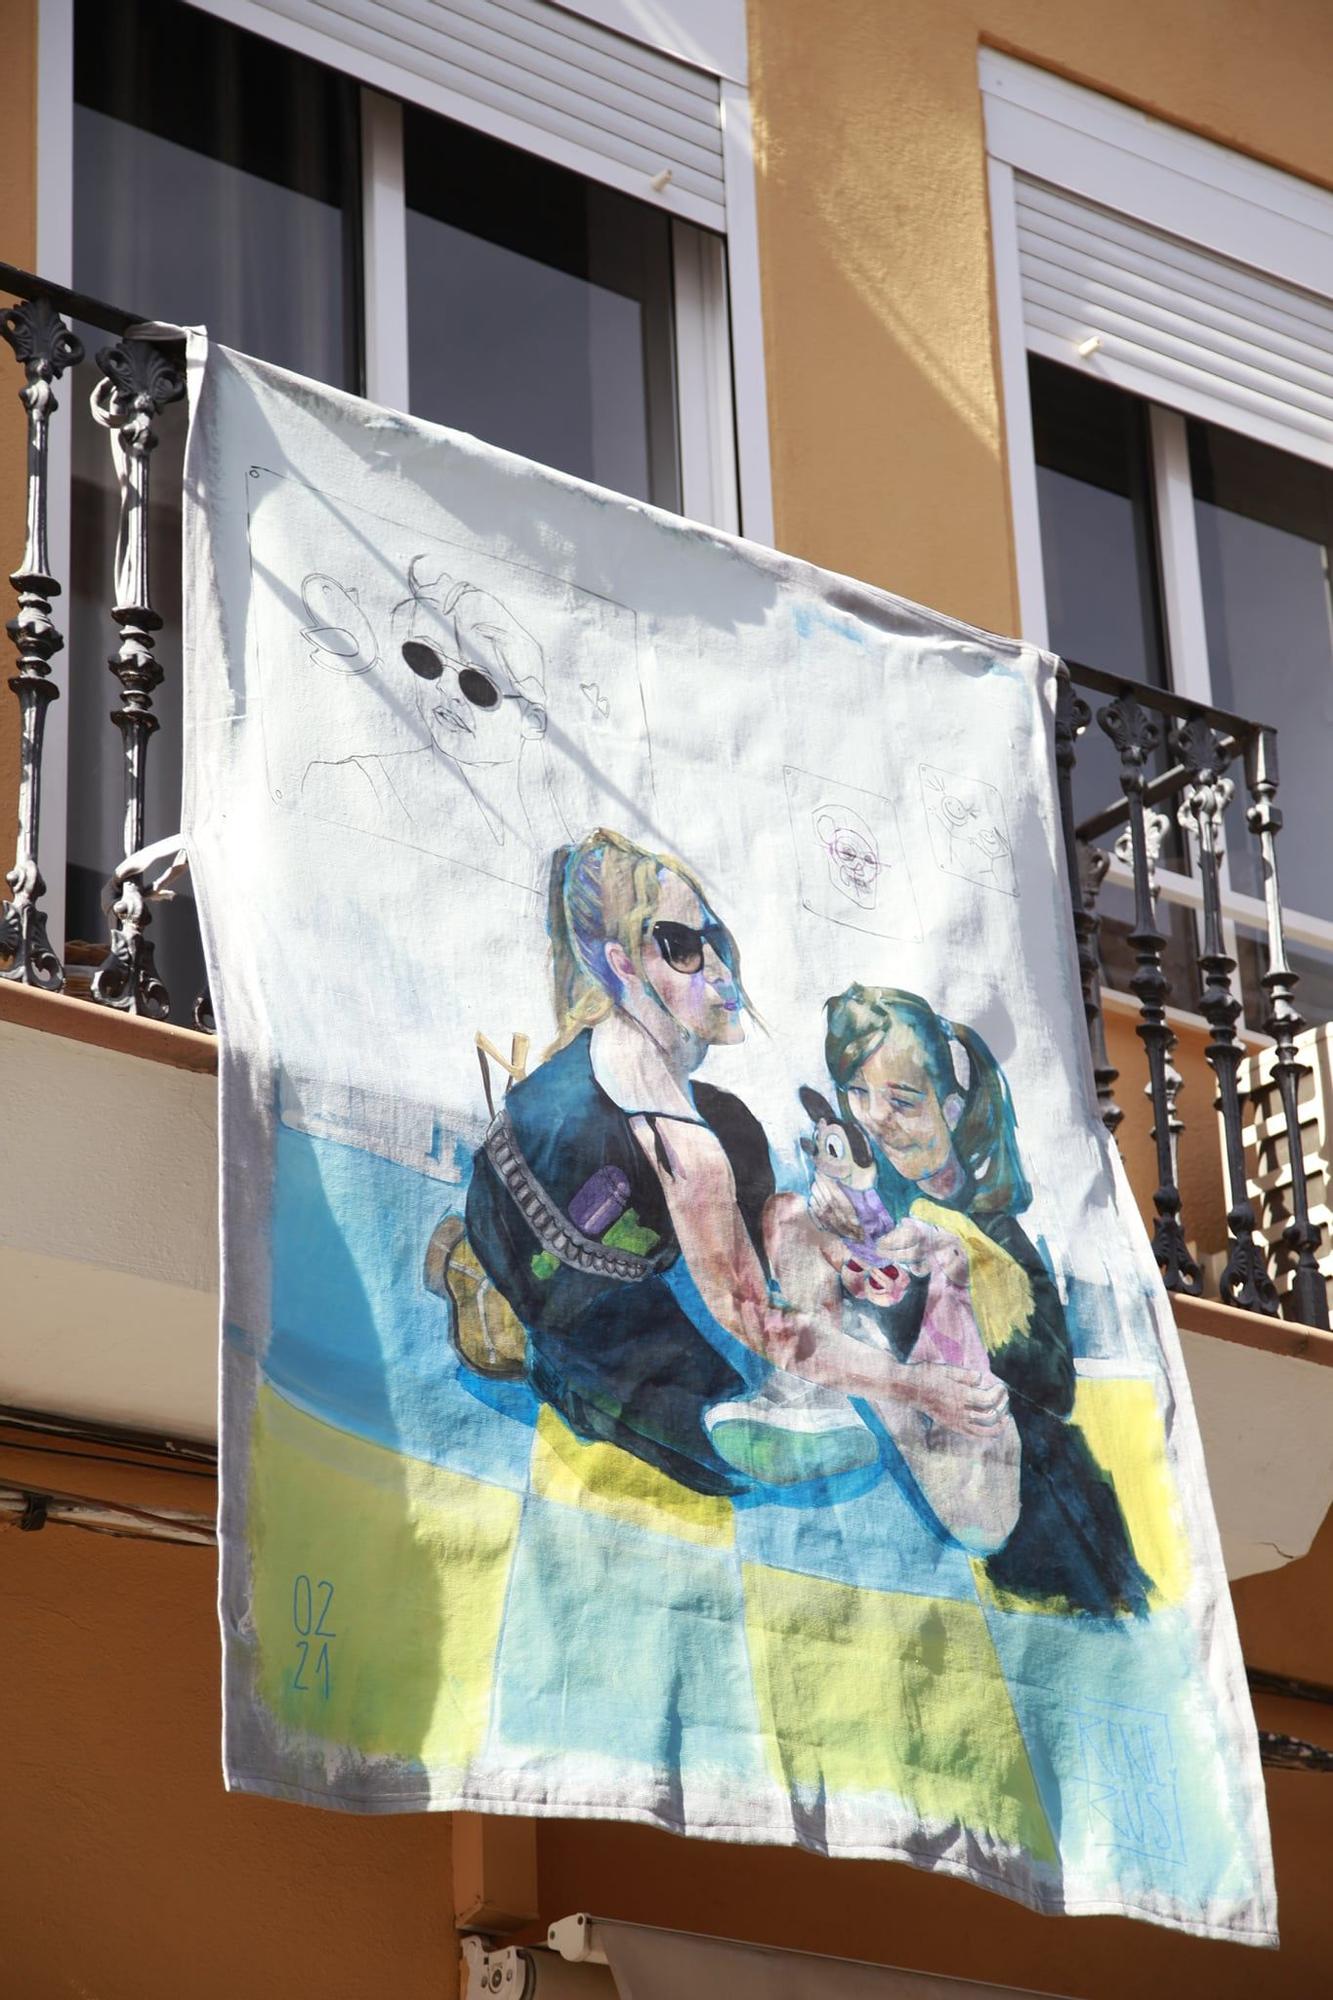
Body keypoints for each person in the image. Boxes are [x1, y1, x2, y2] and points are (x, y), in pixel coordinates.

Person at [460, 831, 1007, 1496]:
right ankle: (515, 1333)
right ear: (624, 964)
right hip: (559, 1291)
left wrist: (830, 1250)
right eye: (683, 947)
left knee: (769, 1188)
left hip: (552, 1218)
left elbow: (763, 1244)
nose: (719, 967)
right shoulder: (680, 1140)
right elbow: (751, 1313)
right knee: (719, 1461)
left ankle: (802, 1381)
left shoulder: (636, 1061)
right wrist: (911, 1385)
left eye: (716, 939)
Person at [809, 984, 1152, 1617]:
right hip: (926, 1514)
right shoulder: (865, 1196)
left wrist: (956, 1265)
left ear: (953, 1105)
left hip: (1035, 1516)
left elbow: (1052, 1384)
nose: (875, 1119)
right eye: (858, 1094)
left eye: (903, 1102)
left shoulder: (993, 1234)